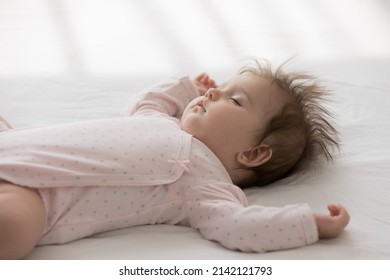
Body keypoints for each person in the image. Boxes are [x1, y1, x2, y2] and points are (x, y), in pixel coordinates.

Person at [0, 59, 350, 259]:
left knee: (14, 229)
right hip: (17, 142)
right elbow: (147, 101)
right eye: (219, 87)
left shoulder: (206, 187)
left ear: (254, 153)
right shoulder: (157, 120)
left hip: (39, 196)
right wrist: (185, 87)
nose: (213, 92)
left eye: (234, 100)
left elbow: (241, 226)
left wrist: (309, 224)